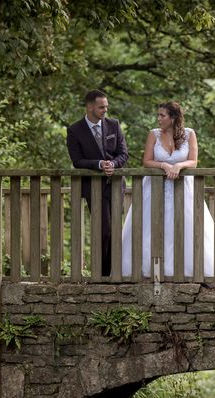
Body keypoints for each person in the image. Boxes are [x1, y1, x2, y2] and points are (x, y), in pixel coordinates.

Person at [121, 101, 215, 283]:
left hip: (184, 188)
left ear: (173, 118)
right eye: (158, 115)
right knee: (151, 225)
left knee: (189, 226)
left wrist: (179, 166)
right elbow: (147, 162)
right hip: (154, 188)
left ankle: (191, 270)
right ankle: (150, 270)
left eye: (162, 115)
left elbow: (194, 162)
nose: (158, 119)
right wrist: (164, 165)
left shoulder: (189, 134)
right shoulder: (154, 135)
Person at [66, 89, 128, 277]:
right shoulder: (74, 130)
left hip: (116, 185)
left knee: (116, 229)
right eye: (101, 107)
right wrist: (99, 164)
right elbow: (77, 161)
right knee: (103, 231)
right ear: (90, 106)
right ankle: (103, 275)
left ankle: (116, 271)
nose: (105, 110)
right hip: (93, 187)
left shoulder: (114, 125)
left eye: (107, 106)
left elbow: (123, 154)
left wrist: (112, 164)